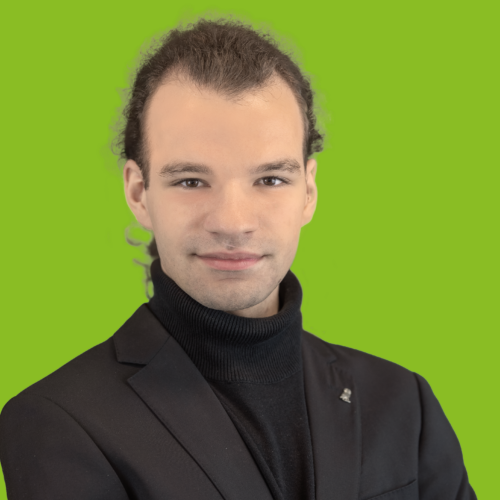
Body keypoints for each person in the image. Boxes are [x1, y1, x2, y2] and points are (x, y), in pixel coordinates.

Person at [0, 14, 476, 500]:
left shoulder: (404, 404)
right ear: (139, 193)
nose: (233, 222)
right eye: (191, 181)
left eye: (270, 179)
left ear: (308, 191)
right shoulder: (57, 422)